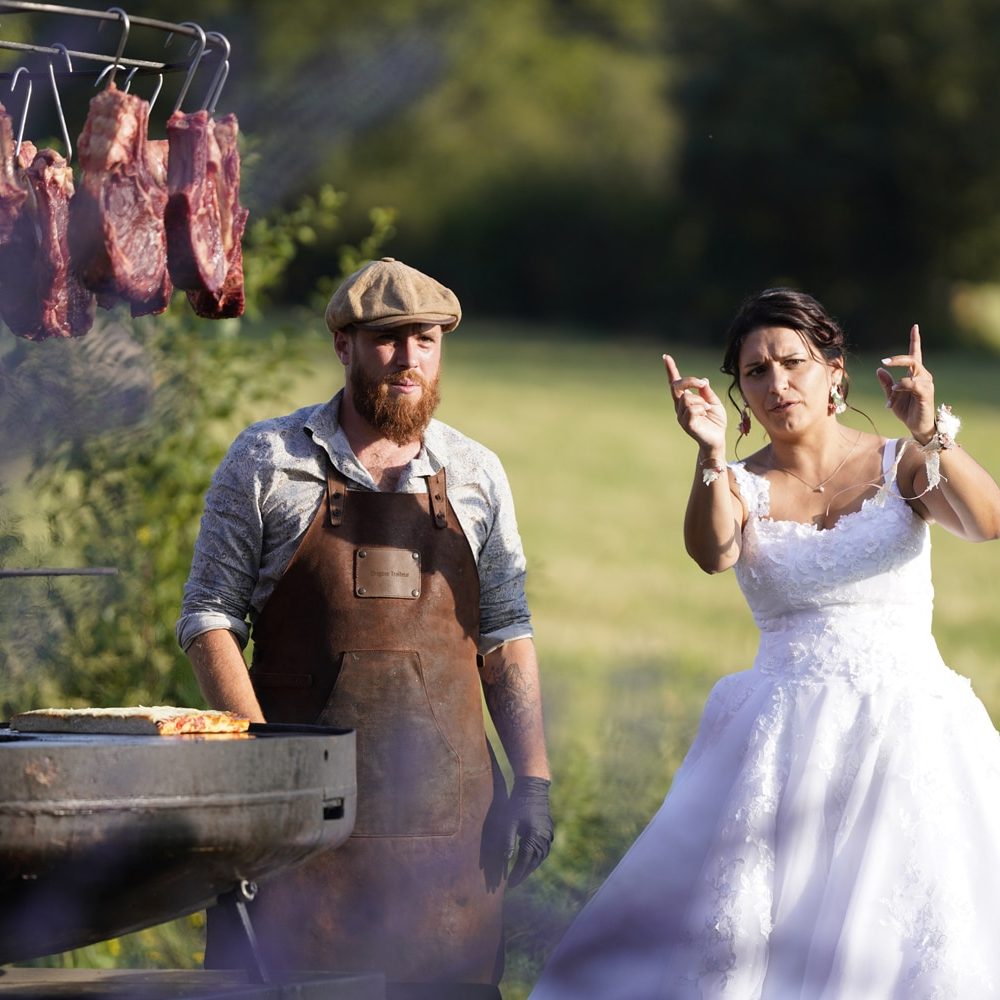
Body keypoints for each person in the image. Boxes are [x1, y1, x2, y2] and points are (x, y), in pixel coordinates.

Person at [529, 287, 1000, 999]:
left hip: (908, 731)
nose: (777, 384)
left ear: (835, 372)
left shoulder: (899, 462)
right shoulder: (740, 482)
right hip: (781, 740)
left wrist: (934, 431)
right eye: (756, 372)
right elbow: (711, 552)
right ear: (739, 392)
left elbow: (986, 522)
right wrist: (711, 453)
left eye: (793, 363)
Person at [176, 257, 553, 998]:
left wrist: (533, 778)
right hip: (298, 829)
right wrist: (261, 769)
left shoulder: (476, 473)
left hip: (451, 837)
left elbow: (506, 632)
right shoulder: (268, 460)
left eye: (427, 340)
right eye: (388, 340)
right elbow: (209, 620)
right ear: (344, 345)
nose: (409, 359)